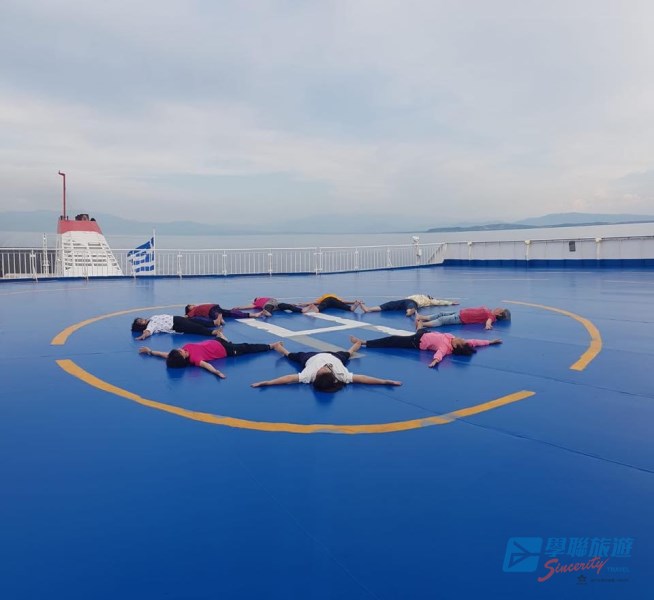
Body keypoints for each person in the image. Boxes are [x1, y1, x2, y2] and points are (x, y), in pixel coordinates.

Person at [250, 340, 402, 392]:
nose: (320, 369)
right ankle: (357, 344)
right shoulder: (341, 375)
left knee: (291, 356)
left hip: (310, 357)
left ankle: (279, 347)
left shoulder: (309, 375)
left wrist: (268, 382)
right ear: (332, 375)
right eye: (323, 370)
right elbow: (363, 378)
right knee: (348, 354)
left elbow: (288, 379)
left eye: (318, 372)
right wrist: (384, 381)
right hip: (335, 357)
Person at [139, 338, 284, 378]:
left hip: (217, 342)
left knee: (229, 341)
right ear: (182, 358)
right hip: (227, 351)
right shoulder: (194, 359)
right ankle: (271, 346)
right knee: (248, 347)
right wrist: (217, 372)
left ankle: (223, 338)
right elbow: (206, 365)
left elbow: (164, 354)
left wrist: (150, 351)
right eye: (180, 352)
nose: (180, 349)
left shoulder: (182, 351)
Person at [350, 331, 502, 368]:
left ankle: (364, 342)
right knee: (421, 328)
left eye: (461, 340)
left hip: (416, 342)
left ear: (456, 346)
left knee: (392, 340)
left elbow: (440, 354)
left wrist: (434, 362)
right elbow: (474, 341)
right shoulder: (454, 340)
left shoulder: (446, 347)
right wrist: (490, 342)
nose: (462, 338)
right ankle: (419, 323)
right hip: (424, 334)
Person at [131, 314, 222, 340]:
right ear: (142, 325)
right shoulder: (151, 325)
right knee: (195, 327)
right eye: (140, 321)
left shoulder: (152, 318)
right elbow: (147, 331)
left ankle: (214, 322)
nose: (142, 319)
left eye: (140, 319)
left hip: (176, 318)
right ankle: (213, 332)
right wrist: (142, 336)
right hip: (176, 325)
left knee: (196, 320)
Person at [415, 306, 511, 330]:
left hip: (461, 318)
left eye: (500, 309)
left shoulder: (492, 316)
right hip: (460, 312)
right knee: (441, 313)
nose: (499, 307)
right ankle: (422, 317)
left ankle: (422, 324)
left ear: (499, 314)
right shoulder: (490, 310)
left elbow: (489, 321)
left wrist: (488, 326)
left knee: (442, 320)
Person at [358, 294, 458, 317]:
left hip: (413, 302)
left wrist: (450, 302)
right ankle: (368, 309)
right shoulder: (421, 295)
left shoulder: (429, 300)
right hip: (405, 301)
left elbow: (439, 302)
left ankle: (410, 311)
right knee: (390, 304)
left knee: (411, 305)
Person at [185, 303, 269, 325]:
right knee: (229, 313)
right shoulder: (192, 311)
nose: (193, 305)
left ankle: (220, 319)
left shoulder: (197, 308)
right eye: (190, 306)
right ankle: (254, 315)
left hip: (214, 307)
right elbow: (186, 316)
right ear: (189, 309)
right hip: (212, 308)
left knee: (230, 313)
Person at [235, 297, 317, 315]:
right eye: (257, 298)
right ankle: (267, 313)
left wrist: (292, 304)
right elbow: (247, 307)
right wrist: (238, 308)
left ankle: (302, 310)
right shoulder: (255, 303)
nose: (258, 297)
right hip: (268, 304)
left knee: (287, 306)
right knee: (268, 307)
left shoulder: (266, 297)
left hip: (276, 303)